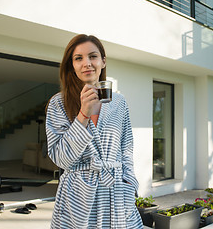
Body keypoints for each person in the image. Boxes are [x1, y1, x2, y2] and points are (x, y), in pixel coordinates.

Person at [45, 34, 143, 228]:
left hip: (116, 191)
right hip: (78, 197)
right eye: (78, 58)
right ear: (71, 65)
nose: (87, 63)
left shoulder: (119, 102)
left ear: (103, 61)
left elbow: (127, 147)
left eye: (93, 56)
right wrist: (83, 114)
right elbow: (61, 159)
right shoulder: (58, 103)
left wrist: (130, 183)